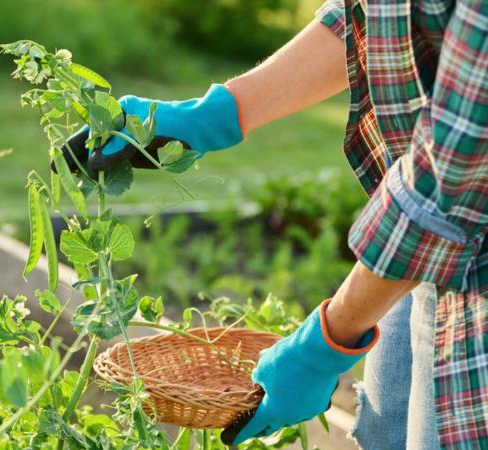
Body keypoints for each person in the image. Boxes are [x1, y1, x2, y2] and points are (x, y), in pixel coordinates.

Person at [59, 0, 488, 448]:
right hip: (422, 251)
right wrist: (218, 114)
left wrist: (325, 346)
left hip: (464, 257)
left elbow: (449, 184)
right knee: (386, 435)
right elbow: (372, 13)